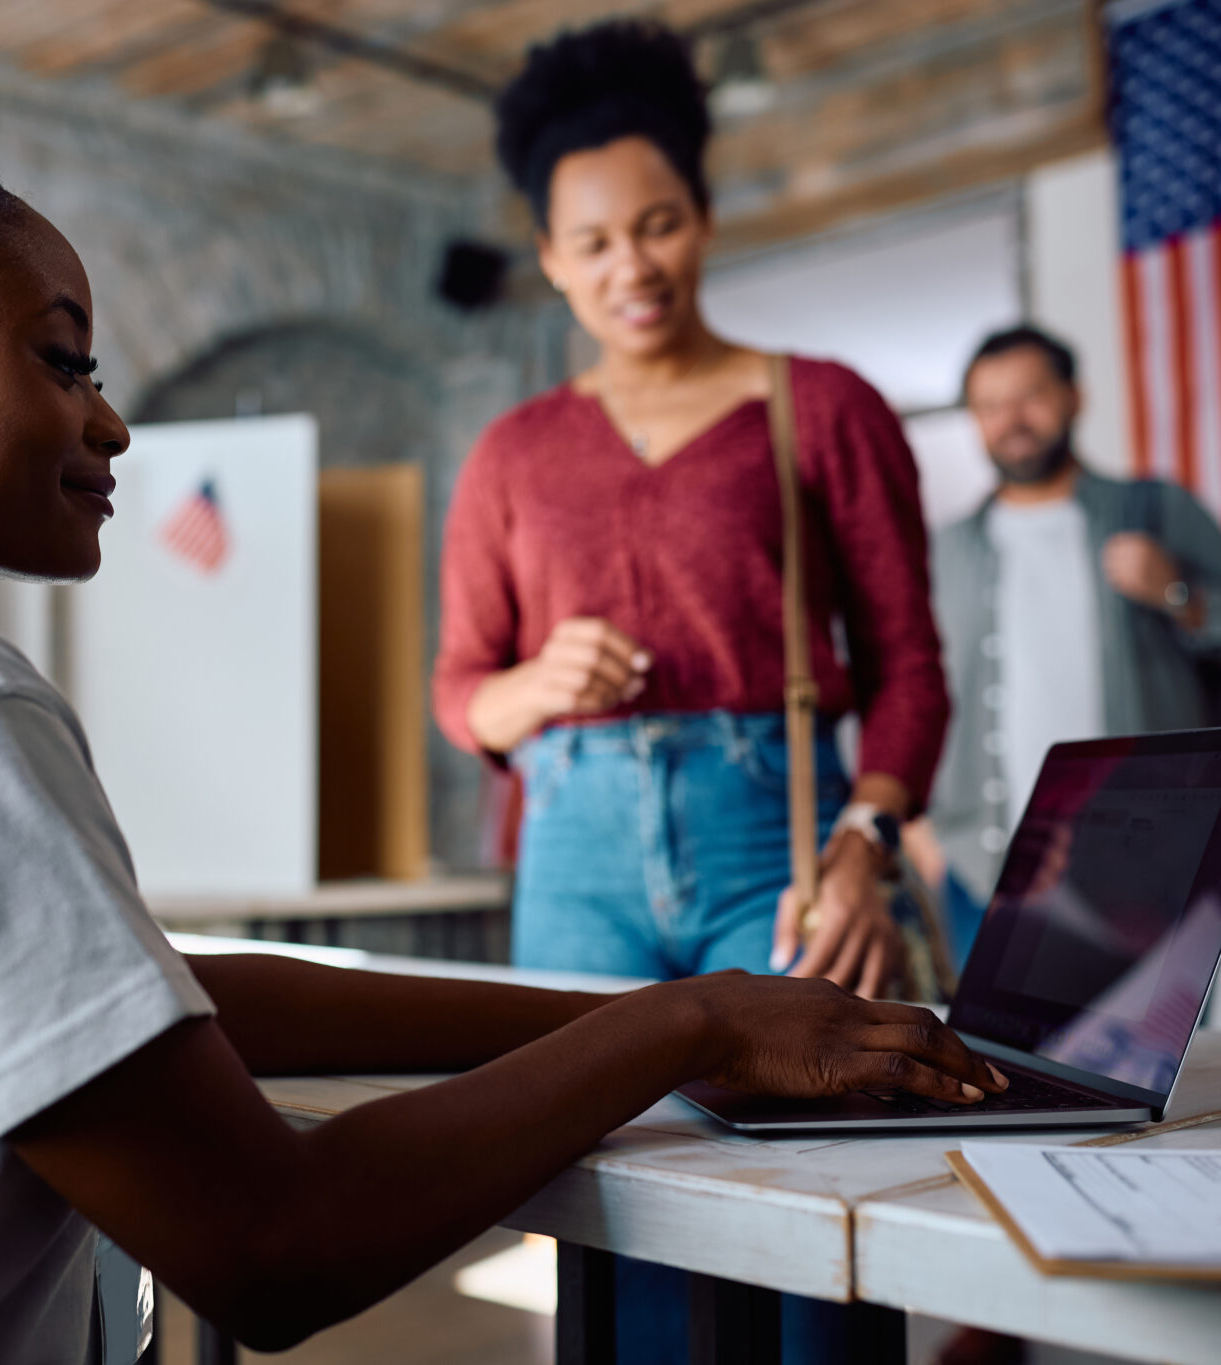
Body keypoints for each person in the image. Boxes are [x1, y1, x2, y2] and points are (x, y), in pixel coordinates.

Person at [0, 99, 1004, 1364]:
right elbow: (276, 1247)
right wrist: (692, 1029)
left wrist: (649, 1005)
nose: (113, 421)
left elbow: (153, 1004)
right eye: (60, 360)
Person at [430, 20, 951, 1362]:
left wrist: (864, 846)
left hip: (769, 840)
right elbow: (459, 694)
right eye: (593, 243)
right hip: (575, 853)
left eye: (657, 226)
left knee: (814, 1202)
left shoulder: (819, 408)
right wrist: (534, 684)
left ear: (705, 219)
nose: (631, 267)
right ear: (549, 257)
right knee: (614, 1210)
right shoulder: (510, 454)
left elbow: (909, 670)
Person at [924, 325, 1221, 905]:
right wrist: (923, 826)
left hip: (1152, 860)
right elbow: (916, 692)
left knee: (1159, 1003)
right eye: (990, 405)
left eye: (1031, 396)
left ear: (1075, 396)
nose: (1012, 420)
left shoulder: (1154, 508)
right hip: (987, 865)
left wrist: (1177, 593)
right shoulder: (945, 551)